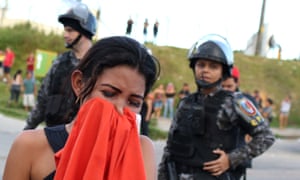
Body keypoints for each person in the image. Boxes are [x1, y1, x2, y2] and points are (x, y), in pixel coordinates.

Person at [3, 36, 160, 180]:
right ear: (79, 84)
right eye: (109, 93)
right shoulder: (30, 146)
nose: (120, 109)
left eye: (134, 102)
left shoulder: (142, 150)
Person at [158, 34, 275, 180]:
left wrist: (231, 159)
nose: (205, 71)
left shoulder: (236, 102)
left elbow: (266, 137)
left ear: (223, 71)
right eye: (201, 65)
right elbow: (170, 148)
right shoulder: (185, 103)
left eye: (213, 66)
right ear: (194, 67)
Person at [24, 3, 97, 129]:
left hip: (81, 140)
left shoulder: (98, 65)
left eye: (70, 30)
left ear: (84, 31)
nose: (65, 35)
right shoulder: (60, 62)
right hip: (54, 136)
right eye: (65, 30)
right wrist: (27, 130)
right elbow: (43, 100)